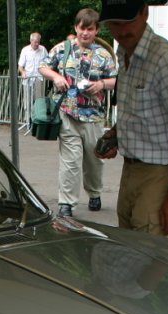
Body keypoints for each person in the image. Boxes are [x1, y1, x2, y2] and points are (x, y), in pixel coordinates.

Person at [96, 0, 168, 237]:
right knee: (130, 256)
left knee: (152, 263)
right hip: (131, 170)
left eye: (127, 21)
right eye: (114, 23)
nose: (121, 30)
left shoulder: (165, 59)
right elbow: (139, 113)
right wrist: (115, 135)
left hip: (161, 175)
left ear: (145, 12)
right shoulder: (124, 54)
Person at [39, 8, 117, 217]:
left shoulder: (103, 55)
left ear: (96, 30)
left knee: (94, 159)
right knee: (70, 161)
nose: (85, 33)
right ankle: (67, 203)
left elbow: (115, 79)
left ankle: (94, 192)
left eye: (90, 29)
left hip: (94, 116)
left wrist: (101, 84)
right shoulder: (61, 49)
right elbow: (43, 67)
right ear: (76, 27)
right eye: (82, 28)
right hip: (67, 113)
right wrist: (55, 76)